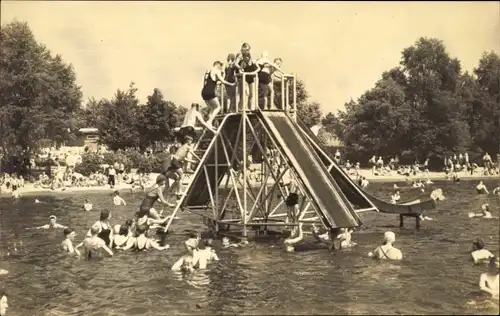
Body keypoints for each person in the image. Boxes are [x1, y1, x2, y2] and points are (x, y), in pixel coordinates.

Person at [201, 61, 236, 128]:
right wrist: (232, 84)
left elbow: (211, 80)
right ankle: (209, 121)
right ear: (217, 65)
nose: (220, 68)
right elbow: (222, 81)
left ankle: (209, 124)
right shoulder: (216, 70)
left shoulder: (208, 71)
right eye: (220, 66)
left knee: (212, 108)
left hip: (204, 92)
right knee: (218, 107)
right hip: (210, 91)